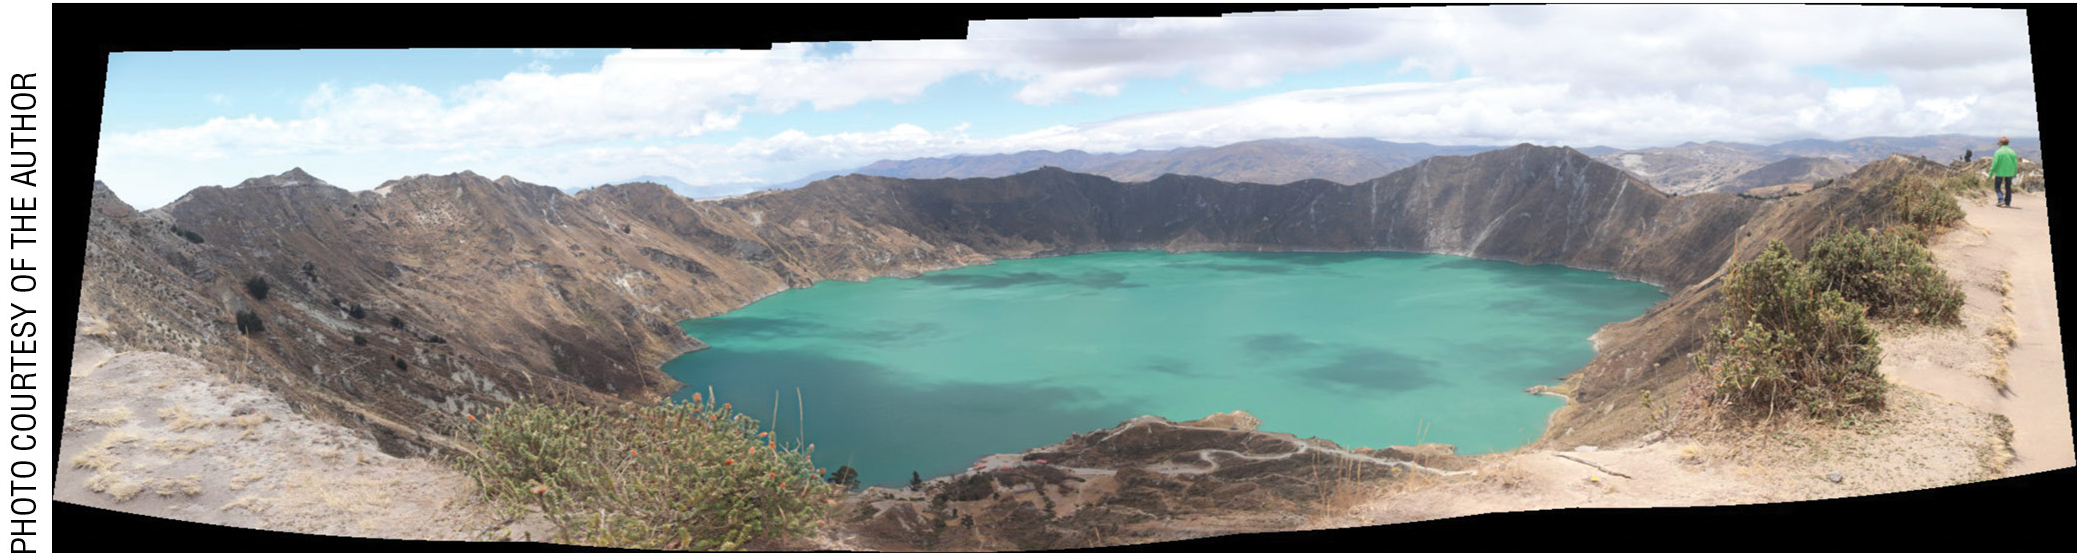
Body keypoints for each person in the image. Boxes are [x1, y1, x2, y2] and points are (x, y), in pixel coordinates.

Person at [1991, 137, 2019, 207]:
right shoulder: (2012, 152)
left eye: (1998, 143)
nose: (1998, 144)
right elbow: (2015, 164)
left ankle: (2001, 199)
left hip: (1999, 173)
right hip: (2010, 173)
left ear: (2001, 143)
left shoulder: (1998, 152)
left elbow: (1995, 164)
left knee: (1997, 187)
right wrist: (2014, 173)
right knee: (2008, 187)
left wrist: (1990, 174)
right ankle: (2007, 202)